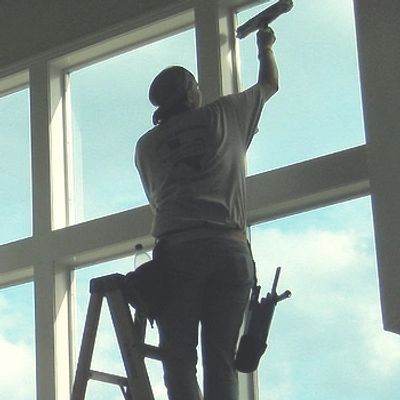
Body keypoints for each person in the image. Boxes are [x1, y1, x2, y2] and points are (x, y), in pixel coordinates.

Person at [134, 26, 278, 400]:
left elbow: (157, 198)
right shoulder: (226, 114)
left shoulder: (146, 146)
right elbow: (269, 84)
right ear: (190, 93)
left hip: (179, 252)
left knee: (178, 359)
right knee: (222, 360)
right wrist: (265, 46)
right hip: (229, 250)